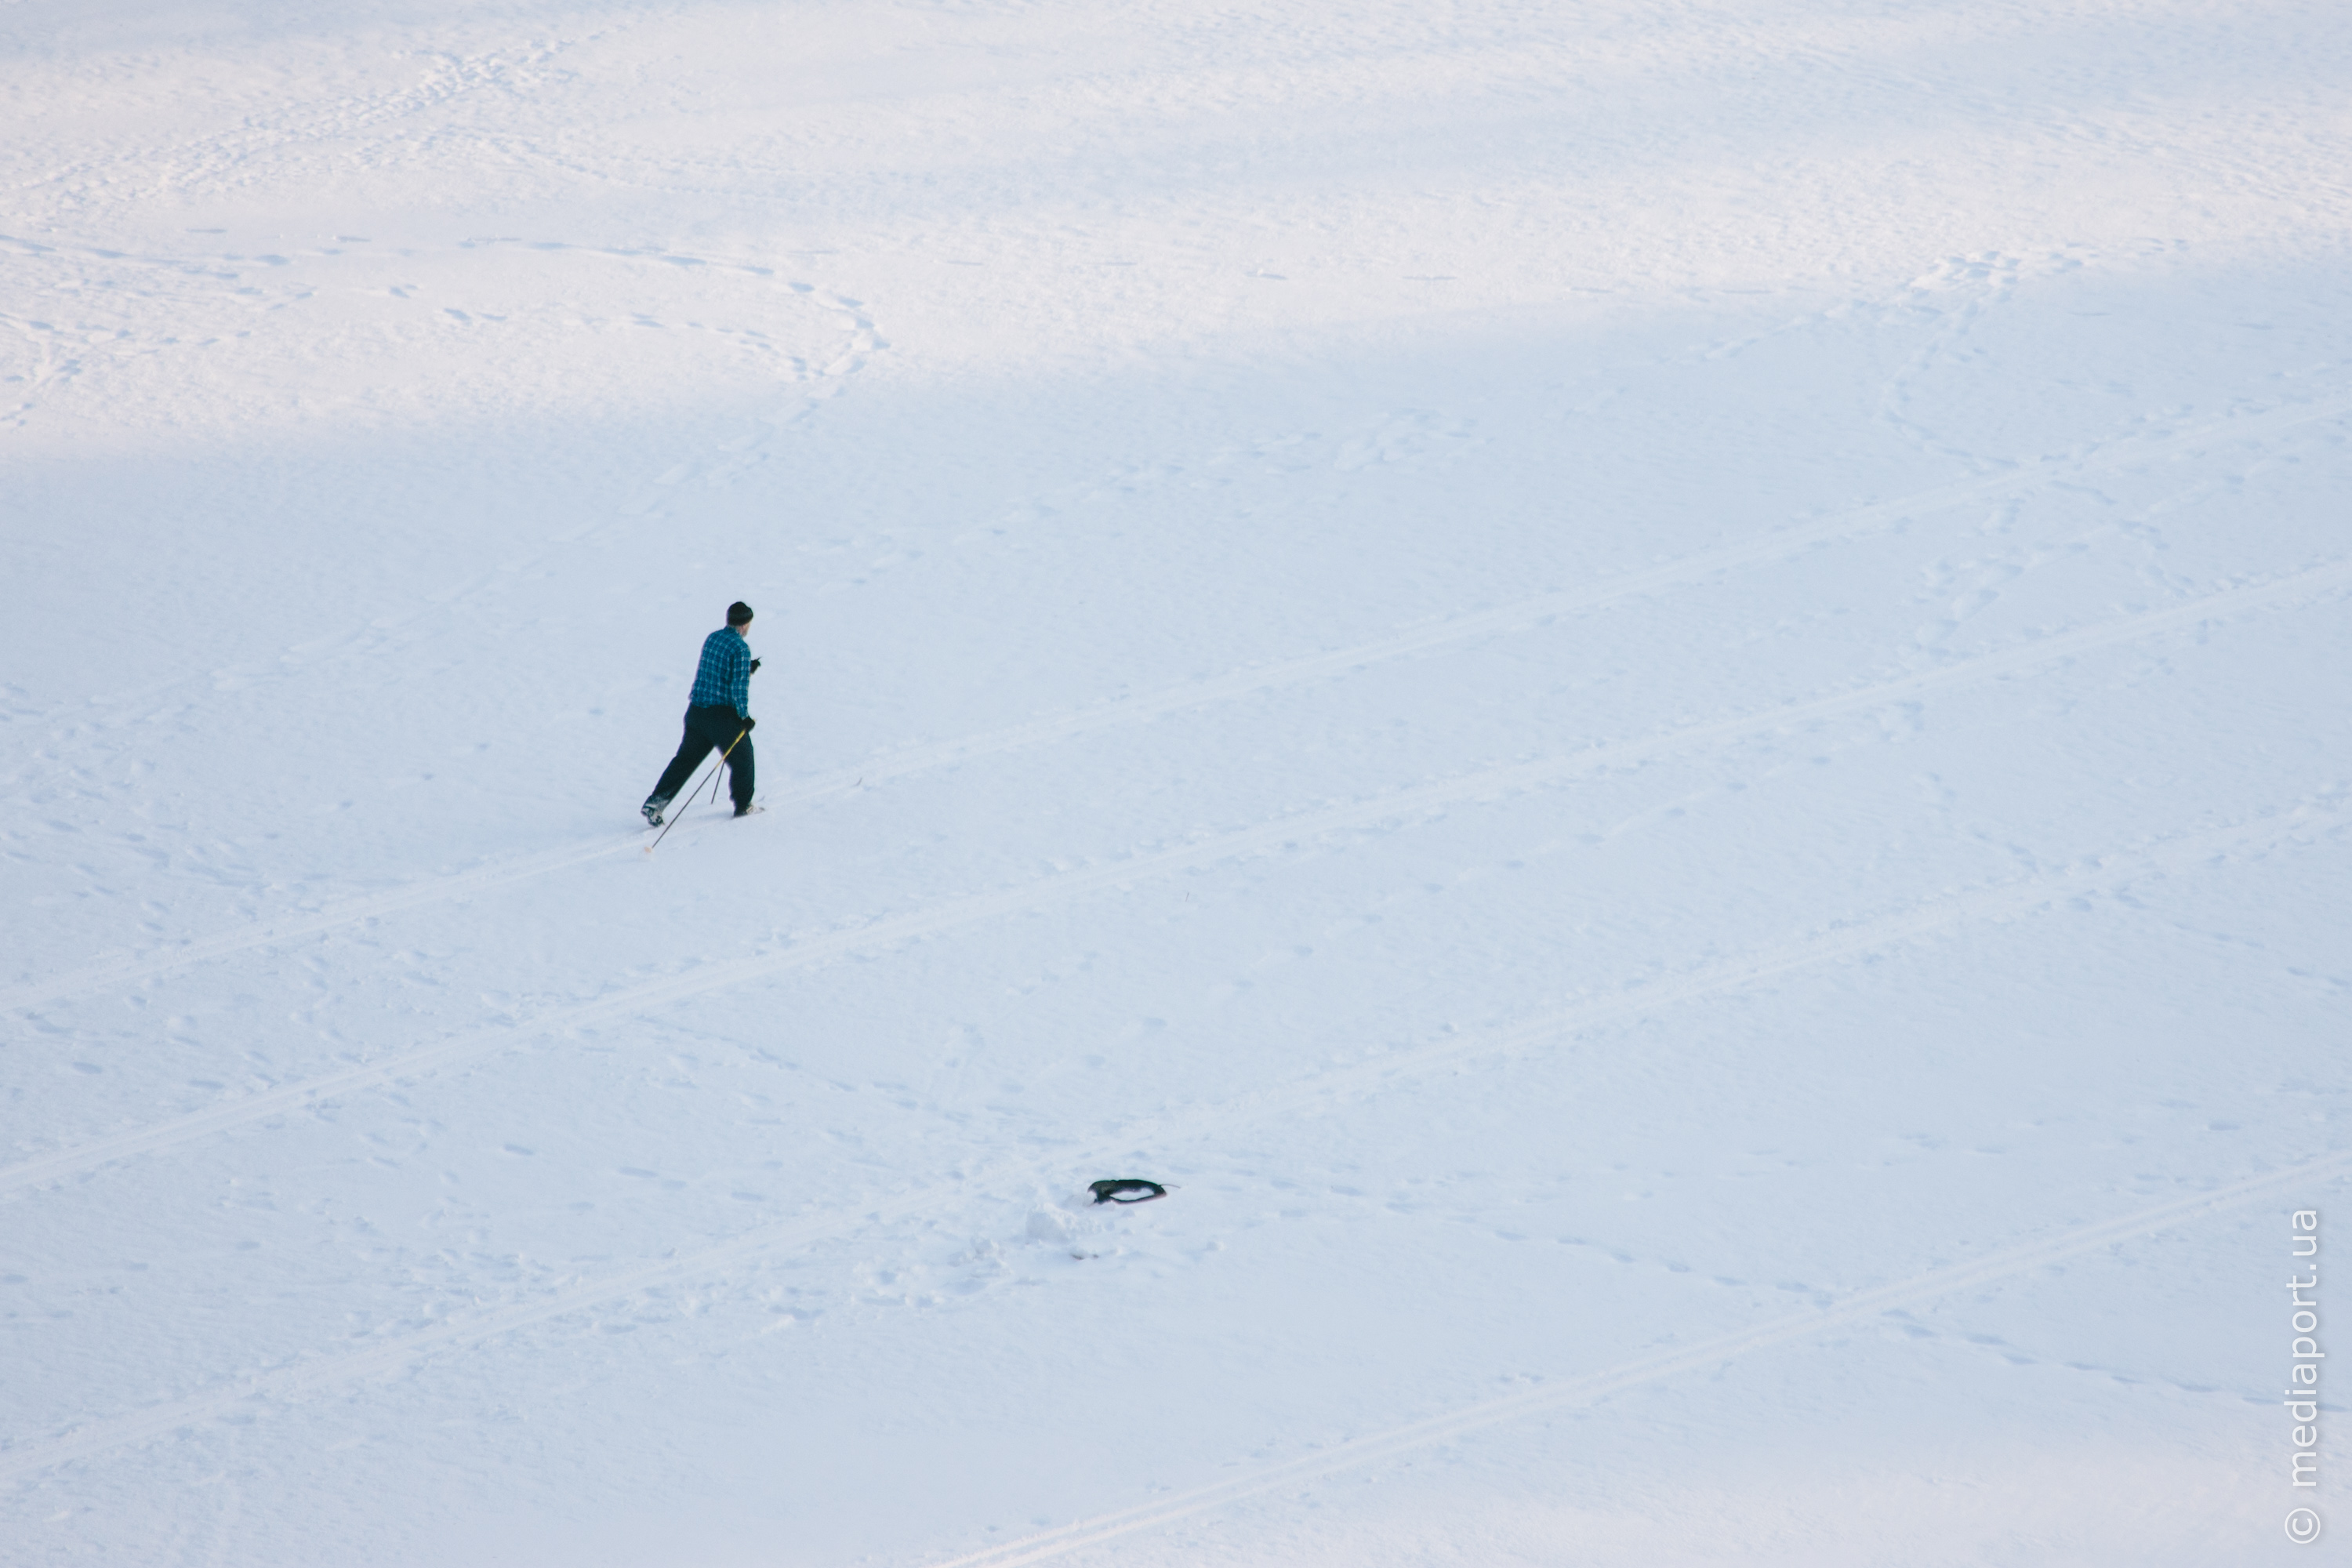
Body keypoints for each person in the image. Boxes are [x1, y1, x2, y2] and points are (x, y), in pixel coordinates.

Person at [642, 601, 760, 823]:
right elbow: (738, 689)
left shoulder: (713, 638)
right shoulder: (741, 649)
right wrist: (744, 717)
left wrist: (746, 668)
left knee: (685, 760)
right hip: (722, 718)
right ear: (745, 624)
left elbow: (714, 671)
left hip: (696, 712)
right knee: (744, 758)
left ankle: (655, 803)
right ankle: (744, 806)